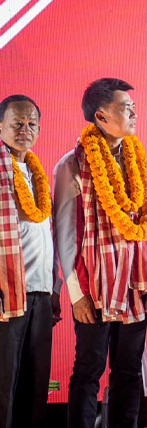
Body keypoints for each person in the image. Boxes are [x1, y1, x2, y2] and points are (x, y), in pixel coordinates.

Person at [53, 79, 147, 427]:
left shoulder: (137, 160)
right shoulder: (72, 165)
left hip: (134, 287)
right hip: (95, 288)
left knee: (129, 371)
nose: (133, 113)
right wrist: (77, 295)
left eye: (133, 106)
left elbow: (145, 228)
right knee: (88, 370)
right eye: (125, 108)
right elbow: (65, 235)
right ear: (100, 116)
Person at [0, 95, 59, 428]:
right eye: (17, 123)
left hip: (40, 293)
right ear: (0, 127)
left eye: (31, 123)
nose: (25, 129)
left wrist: (55, 287)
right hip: (6, 296)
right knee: (3, 385)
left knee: (35, 386)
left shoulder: (36, 173)